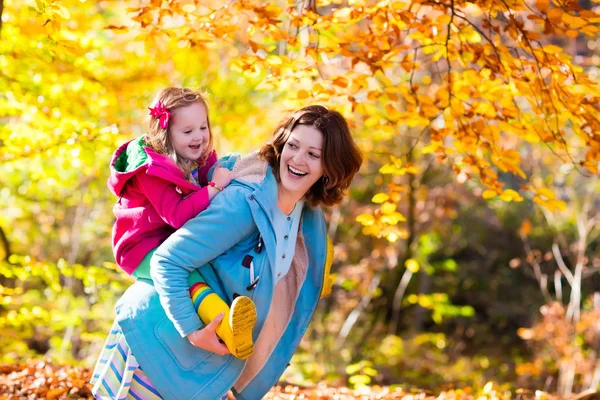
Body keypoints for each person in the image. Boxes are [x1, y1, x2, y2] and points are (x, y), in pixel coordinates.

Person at [91, 105, 363, 400]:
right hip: (160, 340)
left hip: (204, 362)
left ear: (330, 168)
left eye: (313, 154)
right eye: (293, 146)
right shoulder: (243, 203)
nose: (297, 159)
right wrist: (193, 330)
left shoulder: (305, 217)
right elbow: (167, 261)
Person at [104, 86, 257, 361]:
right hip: (141, 245)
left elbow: (212, 174)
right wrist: (214, 188)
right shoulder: (150, 170)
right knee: (188, 276)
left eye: (203, 127)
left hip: (168, 235)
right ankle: (228, 330)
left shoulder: (197, 153)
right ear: (165, 134)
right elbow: (176, 214)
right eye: (188, 131)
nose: (198, 136)